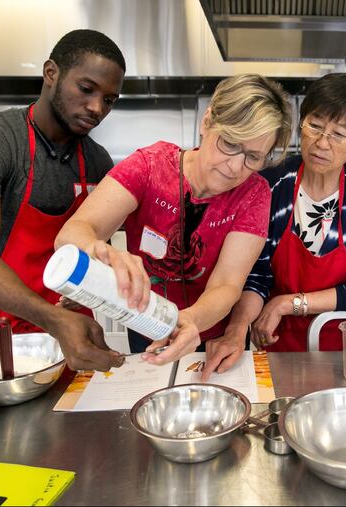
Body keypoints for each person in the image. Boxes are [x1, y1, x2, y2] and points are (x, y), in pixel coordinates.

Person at [55, 74, 292, 379]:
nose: (235, 167)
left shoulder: (254, 194)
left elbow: (226, 284)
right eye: (230, 144)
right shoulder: (151, 166)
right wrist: (96, 250)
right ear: (207, 122)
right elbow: (73, 233)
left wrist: (189, 320)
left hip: (213, 336)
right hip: (144, 323)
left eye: (253, 157)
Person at [0, 29, 126, 371]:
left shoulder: (99, 162)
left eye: (109, 100)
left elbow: (94, 253)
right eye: (86, 89)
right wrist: (52, 319)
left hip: (73, 325)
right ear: (51, 73)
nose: (96, 107)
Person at [221, 73, 346, 354]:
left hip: (345, 346)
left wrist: (288, 303)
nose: (322, 143)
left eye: (339, 134)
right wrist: (237, 329)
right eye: (315, 126)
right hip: (273, 337)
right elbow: (256, 274)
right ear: (301, 124)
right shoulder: (272, 181)